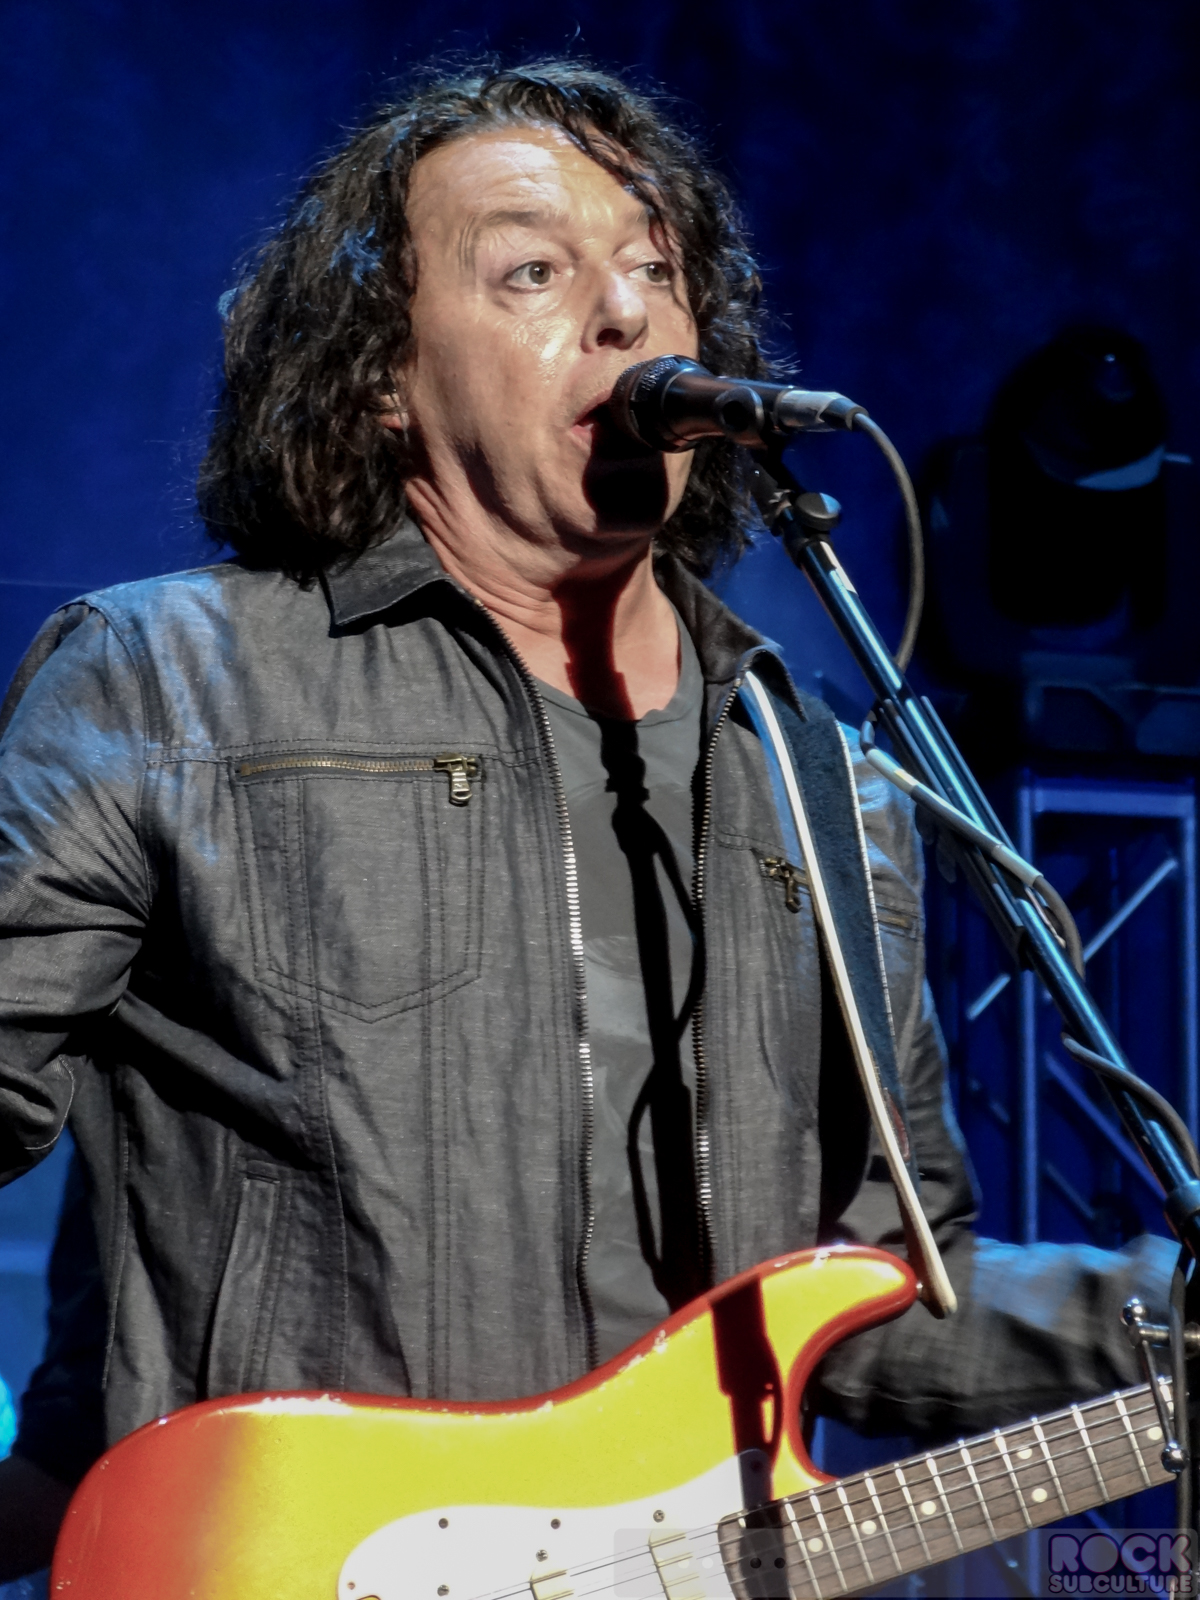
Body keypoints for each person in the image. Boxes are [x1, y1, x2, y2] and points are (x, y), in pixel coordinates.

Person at [0, 60, 1173, 1582]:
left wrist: (1164, 1313)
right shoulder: (172, 683)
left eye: (656, 268)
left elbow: (888, 1297)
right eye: (533, 272)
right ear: (380, 373)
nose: (626, 315)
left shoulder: (821, 781)